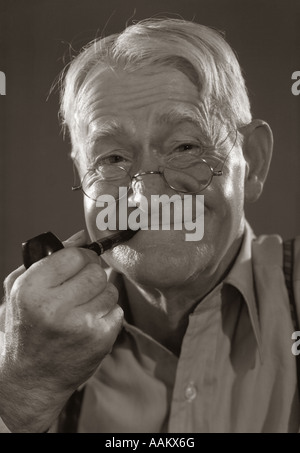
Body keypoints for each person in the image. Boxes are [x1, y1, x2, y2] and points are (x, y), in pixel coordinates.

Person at [0, 18, 299, 434]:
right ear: (83, 175)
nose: (146, 197)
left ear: (253, 163)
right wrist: (20, 392)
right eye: (112, 159)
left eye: (185, 147)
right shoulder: (25, 344)